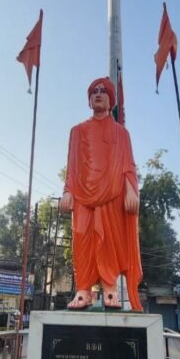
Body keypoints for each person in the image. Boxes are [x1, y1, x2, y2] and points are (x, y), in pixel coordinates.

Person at [59, 76, 143, 311]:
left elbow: (128, 165)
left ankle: (109, 289)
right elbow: (72, 165)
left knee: (108, 241)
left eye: (103, 91)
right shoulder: (77, 131)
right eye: (93, 91)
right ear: (89, 100)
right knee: (82, 239)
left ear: (111, 101)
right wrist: (68, 191)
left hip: (112, 194)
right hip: (83, 194)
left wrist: (131, 191)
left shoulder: (121, 133)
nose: (98, 94)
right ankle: (84, 290)